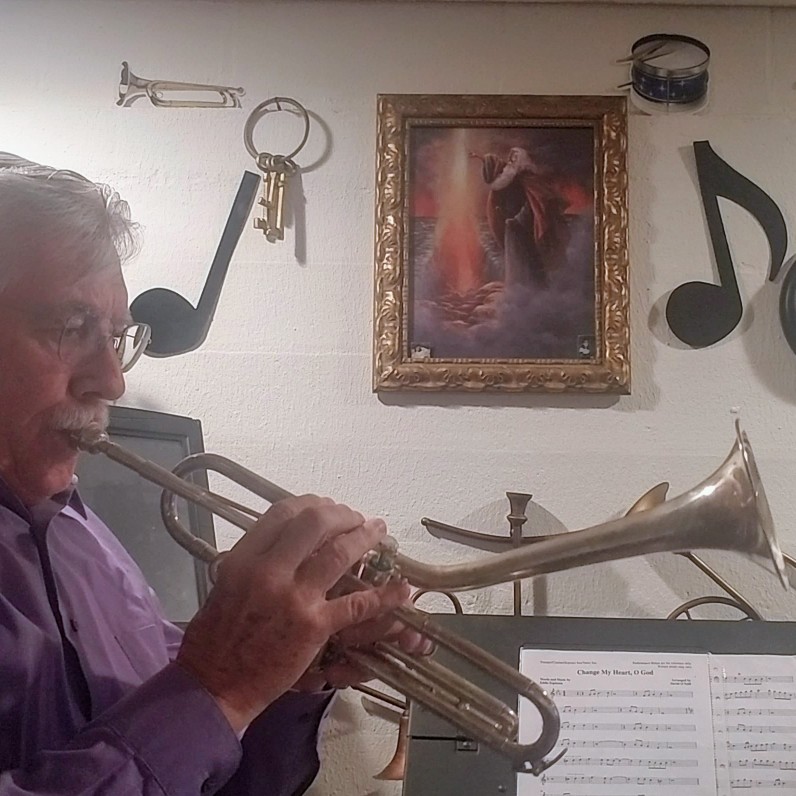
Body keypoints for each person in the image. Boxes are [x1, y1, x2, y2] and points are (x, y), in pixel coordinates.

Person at [0, 154, 431, 795]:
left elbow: (203, 780)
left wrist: (287, 673)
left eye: (116, 336)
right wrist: (220, 688)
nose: (112, 381)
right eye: (71, 328)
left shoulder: (83, 537)